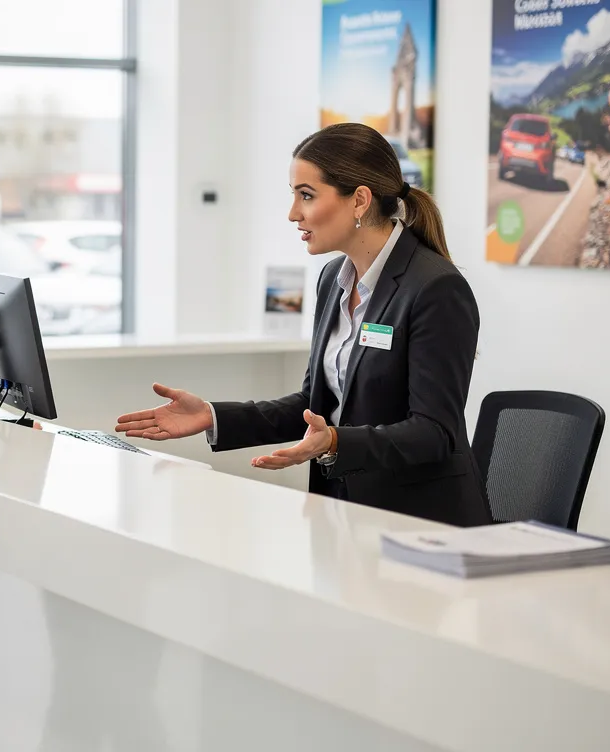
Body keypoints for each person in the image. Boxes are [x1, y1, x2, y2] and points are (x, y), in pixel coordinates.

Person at [115, 122, 491, 527]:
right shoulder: (333, 279)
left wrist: (335, 441)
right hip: (344, 511)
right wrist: (212, 415)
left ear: (359, 200)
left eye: (306, 195)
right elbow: (313, 405)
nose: (293, 213)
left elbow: (434, 433)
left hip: (421, 522)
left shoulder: (435, 288)